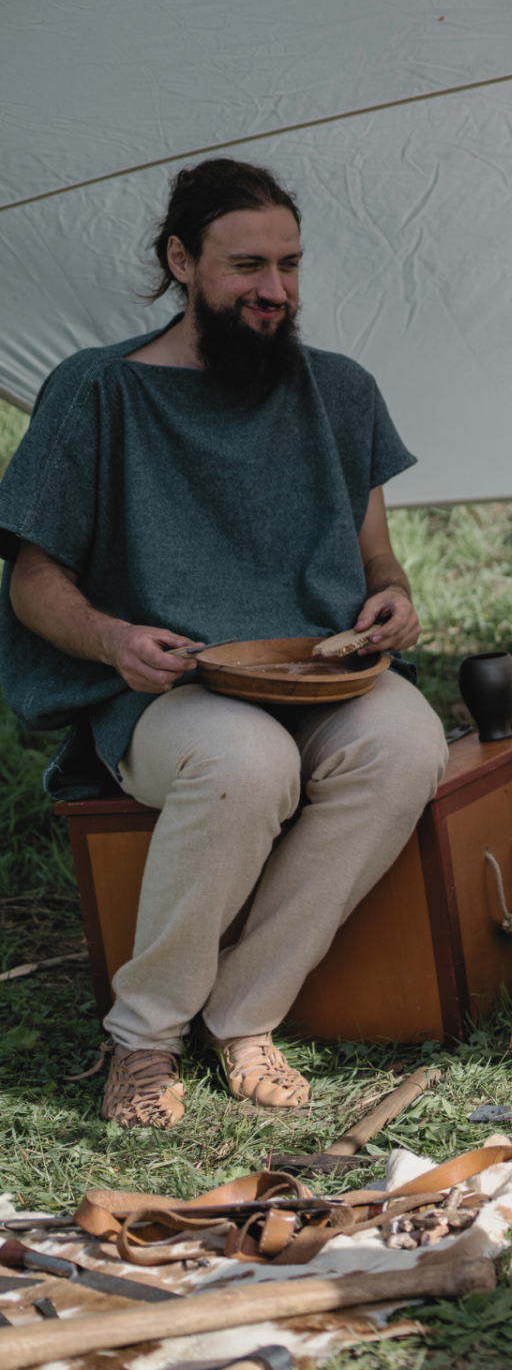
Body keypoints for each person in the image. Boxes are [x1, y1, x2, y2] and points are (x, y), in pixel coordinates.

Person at [0, 160, 448, 1128]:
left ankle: (245, 1017)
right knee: (244, 765)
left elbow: (378, 558)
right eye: (248, 265)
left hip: (320, 673)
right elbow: (34, 581)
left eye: (289, 265)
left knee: (408, 746)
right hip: (168, 690)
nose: (275, 290)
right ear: (179, 260)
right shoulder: (98, 392)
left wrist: (393, 601)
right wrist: (112, 636)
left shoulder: (339, 390)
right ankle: (144, 1039)